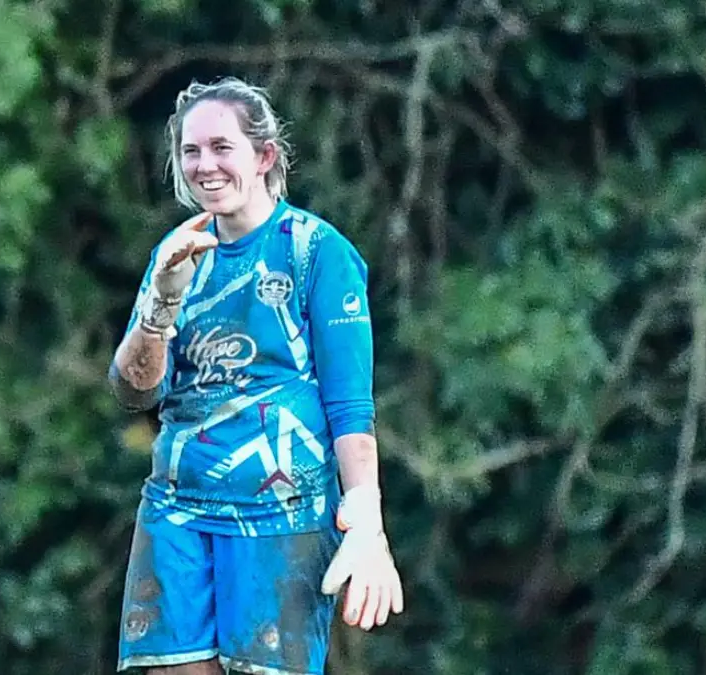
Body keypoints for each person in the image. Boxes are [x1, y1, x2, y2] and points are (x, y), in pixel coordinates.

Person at [108, 76, 405, 675]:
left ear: (264, 156)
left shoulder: (316, 251)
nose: (204, 166)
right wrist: (160, 305)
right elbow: (133, 391)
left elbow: (350, 406)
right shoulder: (178, 251)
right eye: (191, 151)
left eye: (222, 147)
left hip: (281, 511)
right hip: (176, 505)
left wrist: (366, 519)